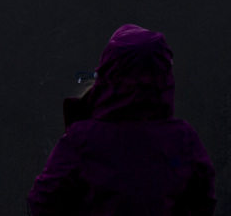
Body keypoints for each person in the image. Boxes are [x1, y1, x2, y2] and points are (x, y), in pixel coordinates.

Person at [27, 24, 216, 215]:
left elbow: (42, 202)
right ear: (164, 77)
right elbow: (203, 202)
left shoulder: (82, 140)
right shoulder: (183, 140)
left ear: (108, 70)